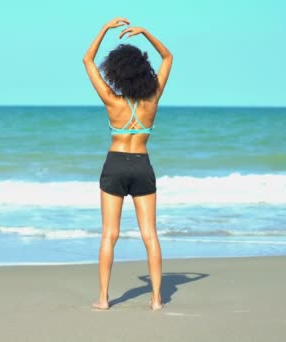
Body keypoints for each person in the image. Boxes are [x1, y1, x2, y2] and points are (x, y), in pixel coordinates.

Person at [83, 17, 173, 310]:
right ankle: (157, 299)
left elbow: (87, 59)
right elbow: (168, 56)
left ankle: (104, 299)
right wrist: (146, 33)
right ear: (143, 71)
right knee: (150, 234)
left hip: (115, 164)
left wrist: (104, 29)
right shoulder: (153, 99)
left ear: (118, 72)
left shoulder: (112, 101)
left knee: (110, 234)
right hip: (142, 165)